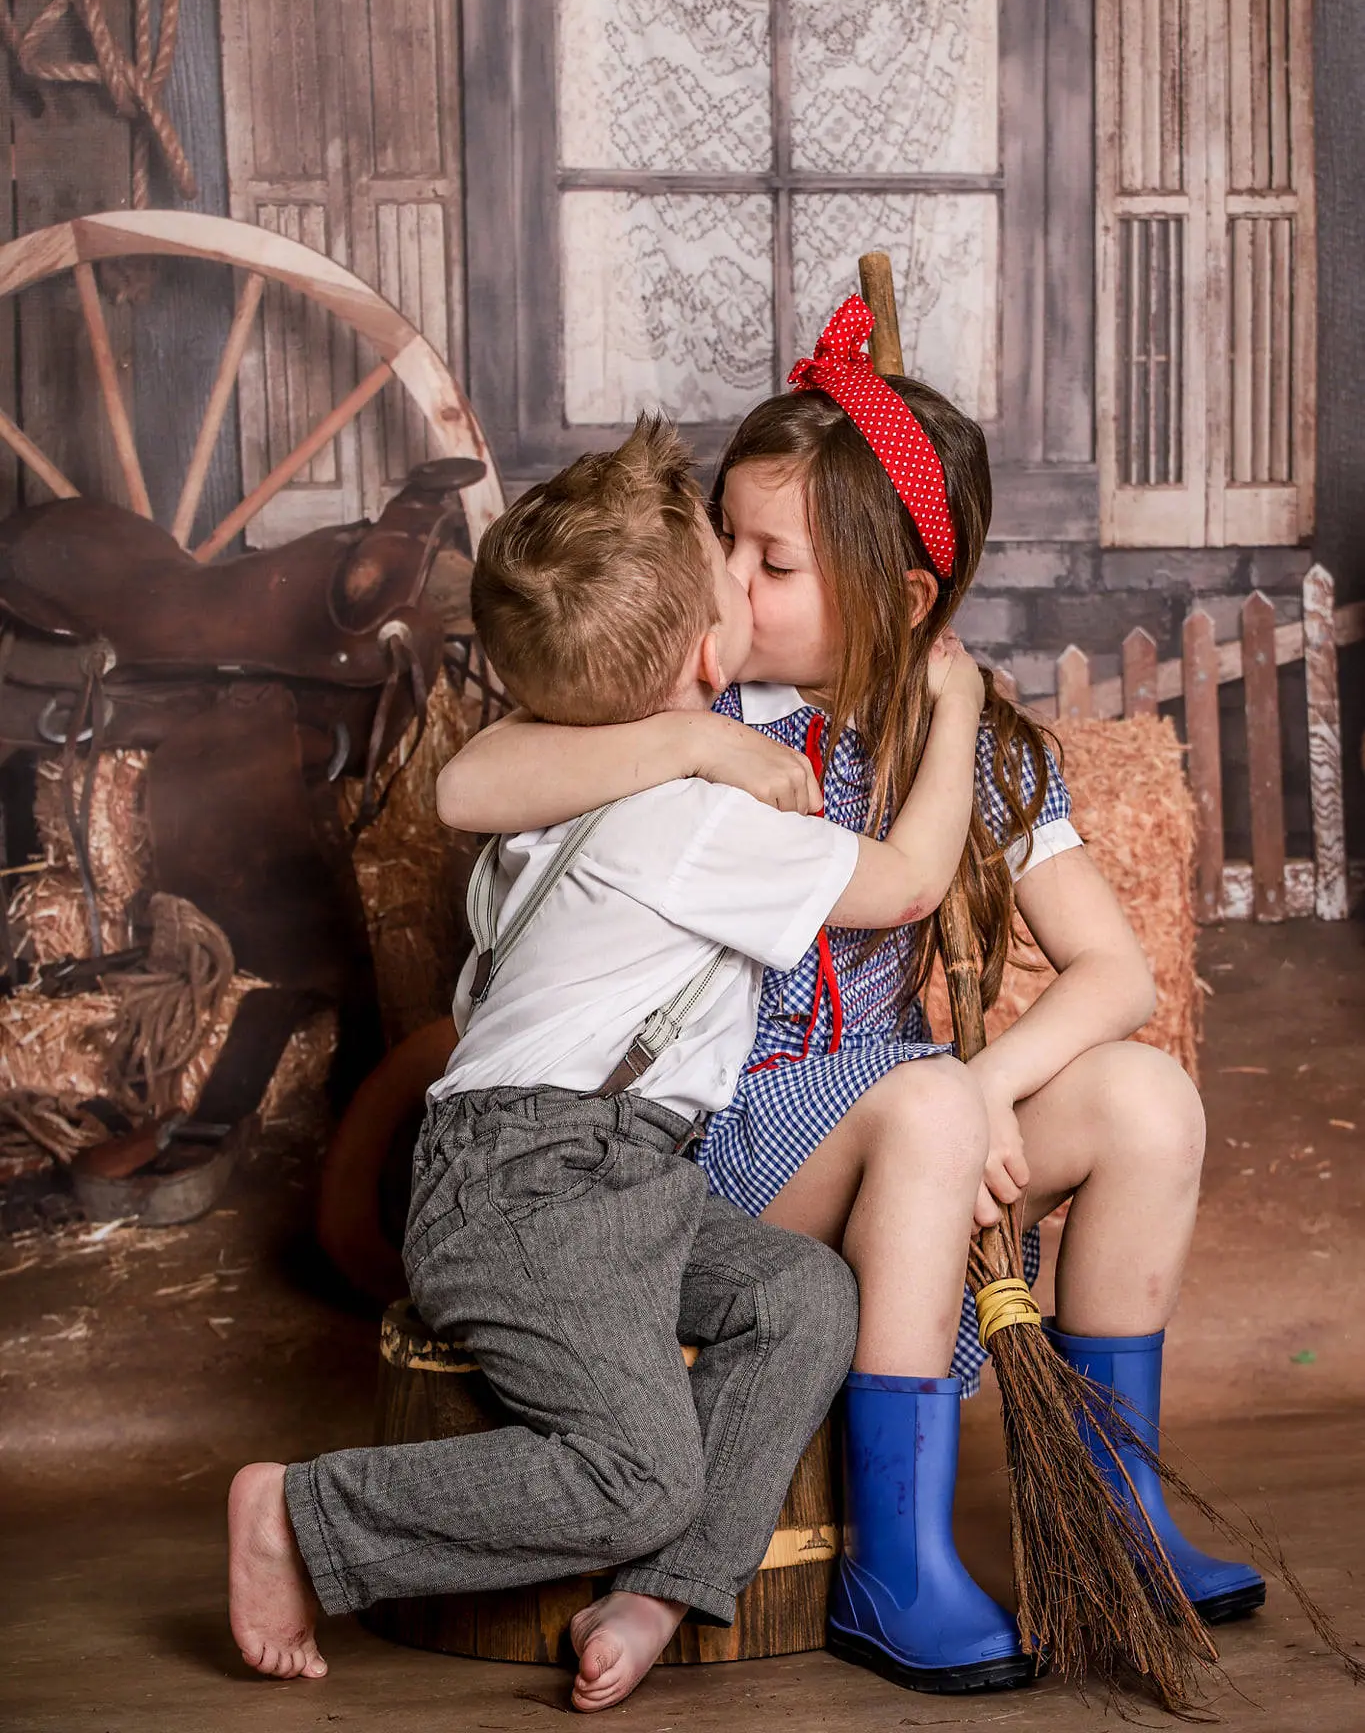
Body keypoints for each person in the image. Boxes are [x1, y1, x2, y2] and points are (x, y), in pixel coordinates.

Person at [441, 298, 1265, 1695]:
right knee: (928, 1100)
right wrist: (687, 748)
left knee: (1145, 1101)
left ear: (903, 598)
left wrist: (985, 1088)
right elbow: (471, 785)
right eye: (727, 542)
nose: (728, 584)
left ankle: (1117, 1510)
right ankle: (899, 1561)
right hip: (710, 1146)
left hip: (906, 1116)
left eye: (772, 562)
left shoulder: (966, 750)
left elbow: (1116, 976)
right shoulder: (686, 707)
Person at [228, 414, 990, 1712]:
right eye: (725, 563)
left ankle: (664, 1587)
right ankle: (305, 1518)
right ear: (704, 656)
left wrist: (700, 738)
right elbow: (910, 883)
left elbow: (482, 781)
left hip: (618, 1177)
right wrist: (958, 706)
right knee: (633, 1471)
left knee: (803, 1299)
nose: (743, 578)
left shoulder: (584, 772)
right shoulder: (694, 821)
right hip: (532, 1182)